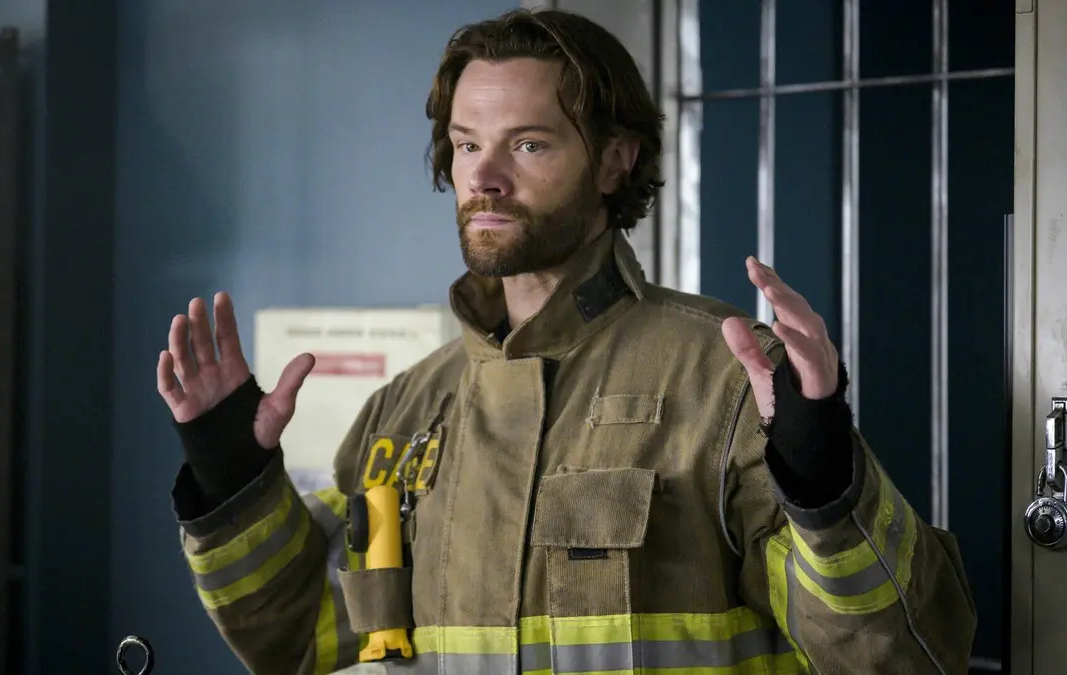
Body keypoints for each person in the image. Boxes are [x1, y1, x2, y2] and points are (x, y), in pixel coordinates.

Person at [156, 8, 976, 675]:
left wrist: (822, 477)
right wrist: (233, 481)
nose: (484, 177)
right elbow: (309, 644)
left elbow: (903, 656)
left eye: (528, 143)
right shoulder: (401, 414)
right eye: (468, 143)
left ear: (615, 161)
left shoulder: (726, 379)